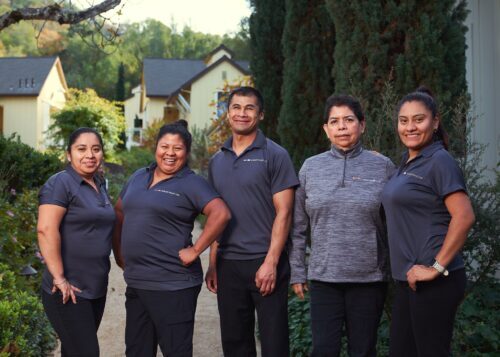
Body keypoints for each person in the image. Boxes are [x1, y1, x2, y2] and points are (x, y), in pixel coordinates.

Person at [112, 120, 230, 357]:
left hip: (173, 285)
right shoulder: (138, 176)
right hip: (137, 282)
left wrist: (196, 250)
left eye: (177, 148)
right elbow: (119, 211)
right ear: (156, 147)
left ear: (186, 153)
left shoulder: (191, 183)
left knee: (176, 351)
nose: (170, 153)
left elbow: (221, 214)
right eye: (165, 146)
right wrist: (119, 253)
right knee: (136, 351)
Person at [289, 94, 394, 356]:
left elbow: (395, 224)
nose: (342, 127)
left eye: (349, 120)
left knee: (363, 350)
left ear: (362, 124)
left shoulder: (382, 167)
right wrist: (297, 271)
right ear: (326, 129)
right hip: (325, 278)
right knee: (324, 350)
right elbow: (298, 227)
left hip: (369, 278)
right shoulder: (310, 168)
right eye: (334, 121)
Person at [381, 87, 475, 356]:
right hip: (410, 281)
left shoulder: (439, 160)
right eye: (404, 120)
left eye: (418, 119)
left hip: (435, 282)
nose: (410, 127)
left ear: (435, 122)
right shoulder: (408, 162)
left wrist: (435, 267)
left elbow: (465, 216)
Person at [205, 86, 299, 357]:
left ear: (260, 115)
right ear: (228, 113)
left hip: (265, 261)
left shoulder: (275, 155)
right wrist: (212, 264)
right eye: (236, 107)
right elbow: (215, 217)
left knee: (274, 342)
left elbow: (285, 213)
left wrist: (271, 262)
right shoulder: (216, 161)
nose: (242, 113)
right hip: (228, 264)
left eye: (249, 108)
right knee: (235, 344)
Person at [37, 127, 115, 356]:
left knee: (74, 351)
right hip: (68, 290)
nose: (89, 155)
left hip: (95, 288)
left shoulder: (99, 183)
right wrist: (60, 278)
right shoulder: (60, 183)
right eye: (81, 149)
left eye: (96, 149)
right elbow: (45, 229)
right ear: (68, 154)